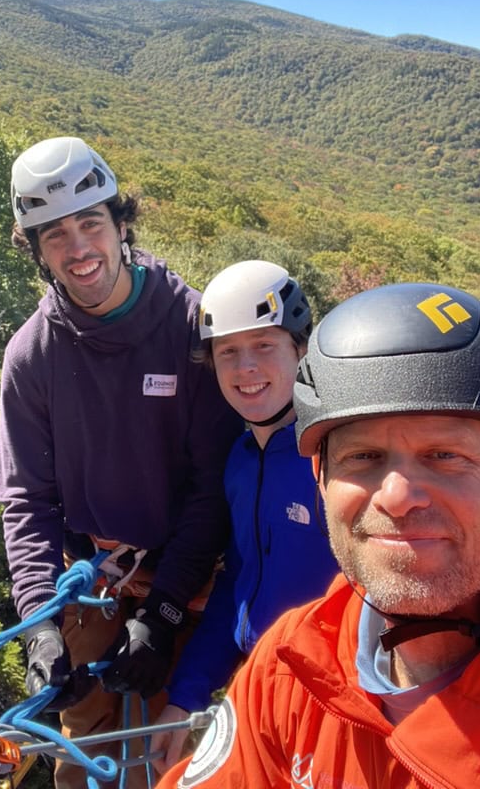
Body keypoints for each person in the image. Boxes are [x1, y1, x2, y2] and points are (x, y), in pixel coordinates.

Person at [157, 281, 480, 789]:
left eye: (445, 455)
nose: (396, 495)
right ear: (320, 482)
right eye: (363, 457)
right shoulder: (291, 667)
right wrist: (186, 686)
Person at [0, 136, 243, 789]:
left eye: (90, 223)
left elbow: (211, 487)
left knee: (171, 765)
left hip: (186, 585)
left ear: (120, 223)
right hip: (92, 585)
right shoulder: (33, 357)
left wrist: (161, 616)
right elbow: (28, 501)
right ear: (36, 250)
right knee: (80, 767)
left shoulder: (190, 329)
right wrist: (41, 629)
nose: (78, 250)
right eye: (54, 236)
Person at [150, 260, 339, 773]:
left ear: (300, 350)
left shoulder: (337, 463)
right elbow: (238, 586)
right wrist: (183, 697)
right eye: (228, 352)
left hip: (335, 707)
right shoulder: (240, 461)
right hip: (261, 691)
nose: (245, 368)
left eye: (264, 346)